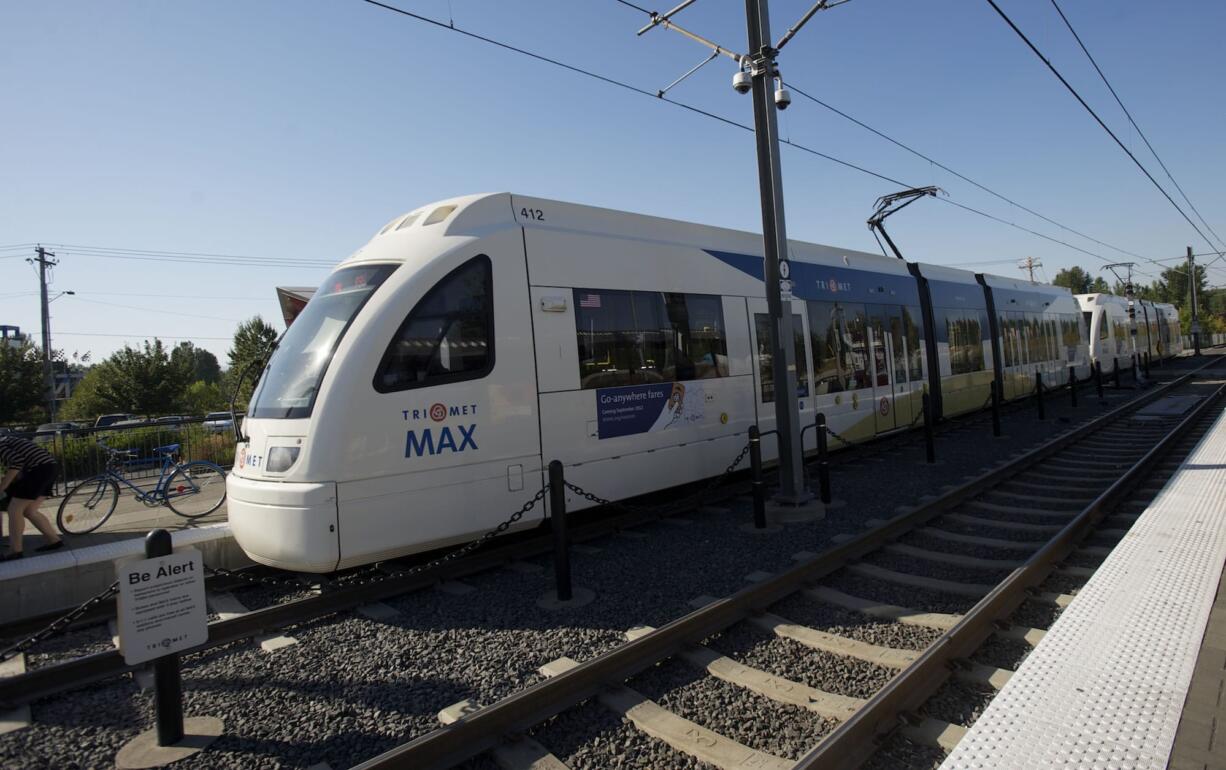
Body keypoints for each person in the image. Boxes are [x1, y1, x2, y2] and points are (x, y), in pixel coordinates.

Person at [0, 434, 65, 560]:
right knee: (30, 511)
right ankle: (54, 540)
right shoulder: (6, 440)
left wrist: (2, 488)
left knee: (14, 509)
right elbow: (18, 469)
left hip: (38, 470)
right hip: (50, 468)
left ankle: (15, 550)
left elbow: (17, 463)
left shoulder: (0, 445)